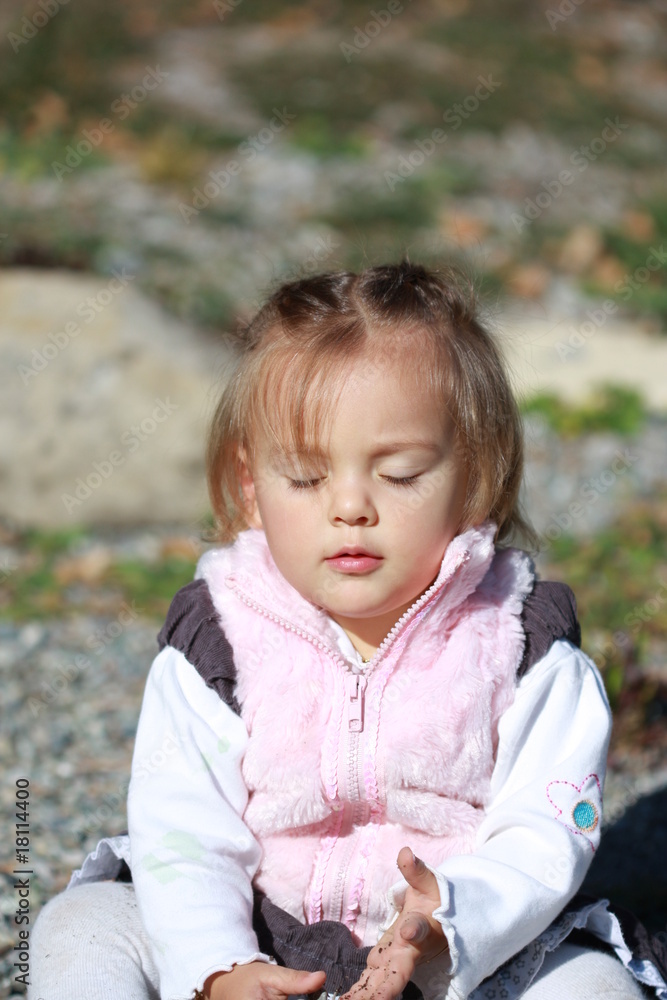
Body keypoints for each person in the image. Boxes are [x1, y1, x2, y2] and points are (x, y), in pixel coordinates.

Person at [30, 262, 665, 1000]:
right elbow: (184, 831)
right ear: (251, 487)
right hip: (260, 936)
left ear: (476, 478)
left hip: (457, 957)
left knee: (592, 984)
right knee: (80, 923)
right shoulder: (219, 638)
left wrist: (452, 918)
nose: (350, 507)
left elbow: (545, 831)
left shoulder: (521, 645)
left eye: (398, 474)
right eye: (304, 477)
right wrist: (218, 964)